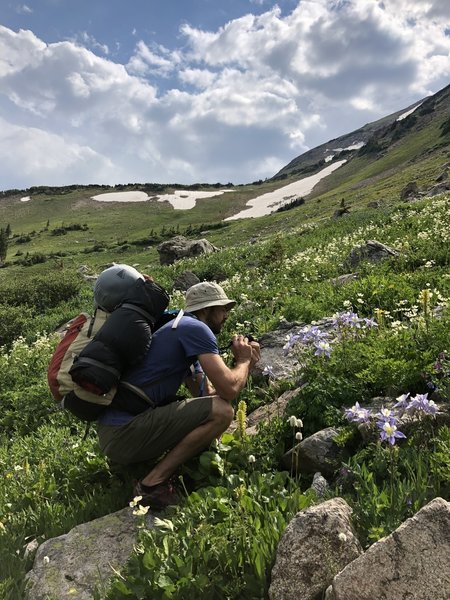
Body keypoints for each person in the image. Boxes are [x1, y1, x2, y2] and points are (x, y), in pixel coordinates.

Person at [96, 281, 261, 509]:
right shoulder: (196, 329)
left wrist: (245, 365)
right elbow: (229, 391)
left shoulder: (178, 327)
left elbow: (208, 395)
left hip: (113, 435)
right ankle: (151, 485)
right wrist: (242, 360)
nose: (226, 315)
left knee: (216, 409)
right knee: (223, 413)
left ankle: (148, 469)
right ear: (206, 309)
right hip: (124, 433)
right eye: (223, 309)